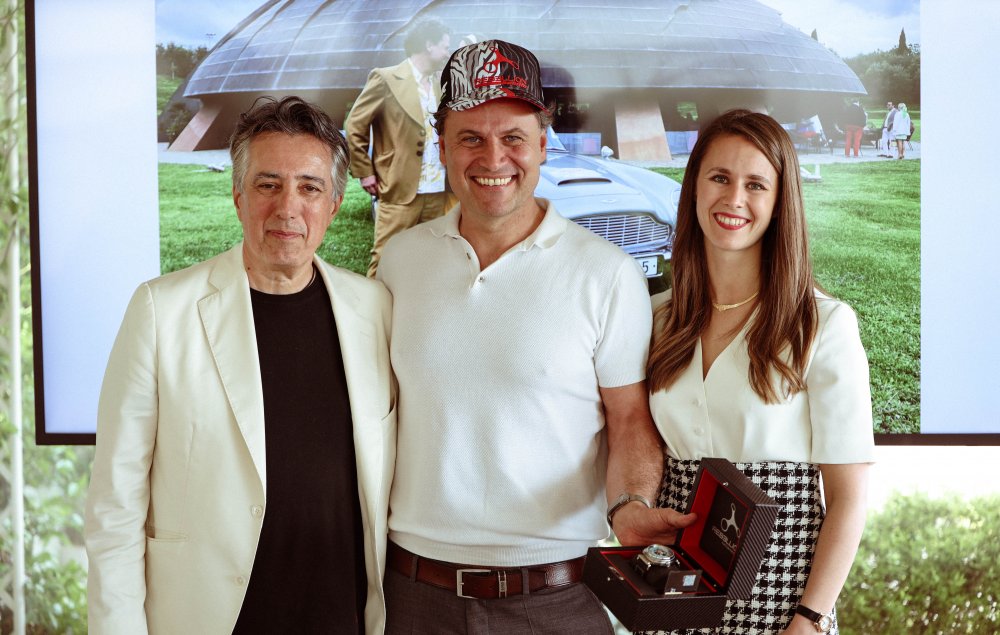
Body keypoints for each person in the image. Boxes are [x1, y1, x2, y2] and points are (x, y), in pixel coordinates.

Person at [376, 40, 696, 634]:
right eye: (470, 138)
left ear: (544, 145)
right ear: (442, 148)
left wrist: (630, 506)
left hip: (556, 598)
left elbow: (629, 419)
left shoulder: (607, 273)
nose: (493, 157)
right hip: (413, 595)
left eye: (513, 137)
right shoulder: (399, 262)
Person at [85, 96, 395, 634]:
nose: (288, 208)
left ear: (335, 203)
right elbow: (115, 507)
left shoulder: (373, 308)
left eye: (310, 187)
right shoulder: (162, 311)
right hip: (209, 619)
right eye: (268, 184)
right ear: (238, 196)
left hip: (338, 617)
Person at [645, 109, 874, 635]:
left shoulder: (824, 324)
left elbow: (848, 497)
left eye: (755, 185)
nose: (734, 199)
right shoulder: (656, 318)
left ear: (779, 201)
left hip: (782, 599)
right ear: (694, 187)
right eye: (719, 178)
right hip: (675, 592)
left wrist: (810, 620)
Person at [346, 18, 454, 277]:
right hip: (399, 188)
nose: (447, 53)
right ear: (429, 45)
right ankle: (374, 304)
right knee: (385, 258)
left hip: (439, 190)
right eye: (445, 46)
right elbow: (355, 126)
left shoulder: (440, 84)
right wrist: (365, 172)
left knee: (430, 259)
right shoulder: (386, 78)